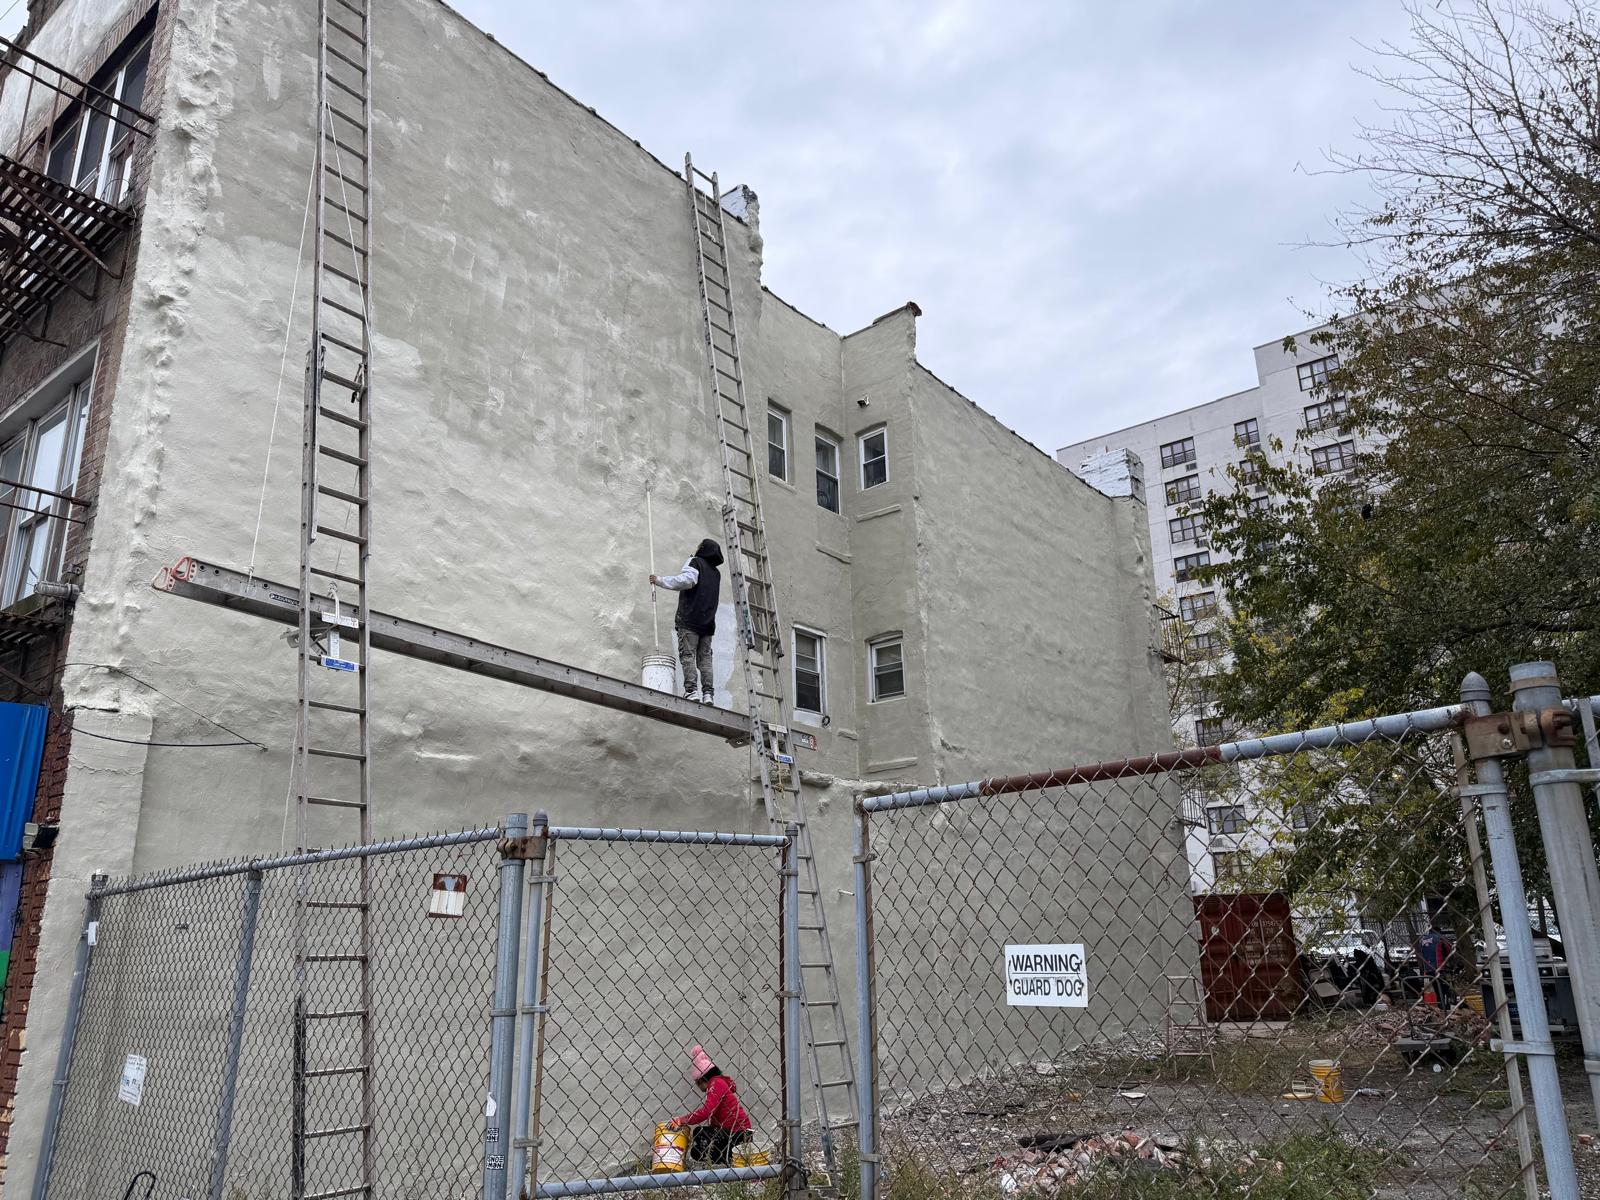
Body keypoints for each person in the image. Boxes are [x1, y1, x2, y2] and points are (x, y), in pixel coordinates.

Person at [650, 538, 723, 703]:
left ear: (703, 549)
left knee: (688, 655)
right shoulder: (716, 573)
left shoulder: (695, 562)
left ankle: (691, 691)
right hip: (708, 624)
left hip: (690, 620)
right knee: (705, 659)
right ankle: (708, 694)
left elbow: (687, 581)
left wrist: (660, 580)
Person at [668, 1044, 753, 1166]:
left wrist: (682, 1120)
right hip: (737, 1132)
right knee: (699, 1133)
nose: (698, 1087)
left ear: (701, 1080)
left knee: (697, 1151)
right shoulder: (719, 1082)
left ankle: (727, 1160)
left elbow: (707, 1111)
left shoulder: (716, 1084)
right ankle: (727, 1158)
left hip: (737, 1133)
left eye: (697, 1084)